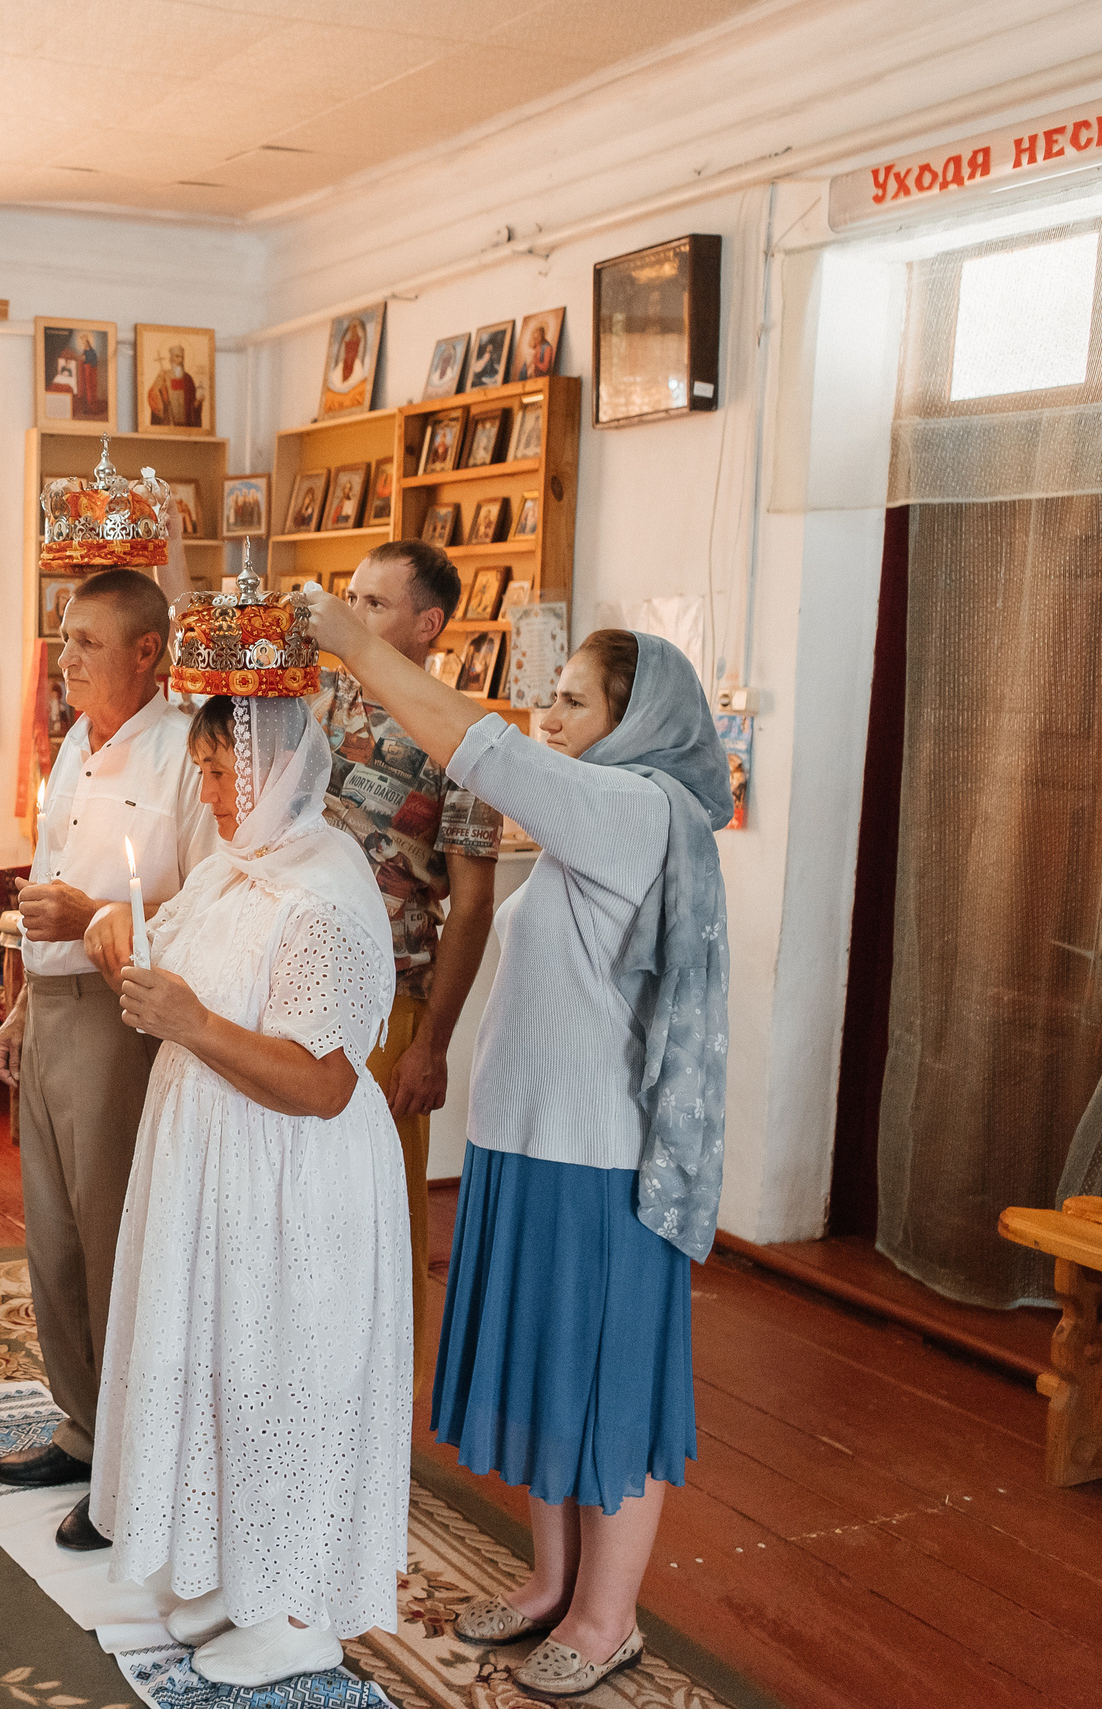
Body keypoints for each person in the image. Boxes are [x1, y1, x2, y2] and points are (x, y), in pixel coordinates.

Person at [302, 597, 730, 1702]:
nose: (551, 710)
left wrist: (358, 647)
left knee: (605, 1387)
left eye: (575, 697)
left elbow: (474, 746)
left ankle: (608, 1613)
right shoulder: (599, 808)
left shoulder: (633, 805)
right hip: (527, 1141)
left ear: (639, 721)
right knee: (547, 1374)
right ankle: (552, 1583)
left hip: (596, 1157)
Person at [87, 678, 411, 1689]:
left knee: (294, 1374)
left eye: (226, 775)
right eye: (206, 776)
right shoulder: (235, 866)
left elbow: (320, 1082)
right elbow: (181, 981)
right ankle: (239, 1568)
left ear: (275, 770)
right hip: (218, 1160)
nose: (216, 796)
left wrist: (187, 1021)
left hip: (294, 1180)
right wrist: (122, 954)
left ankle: (303, 1605)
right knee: (228, 1361)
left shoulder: (325, 892)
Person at [0, 570, 216, 1551]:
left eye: (86, 640)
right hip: (53, 1005)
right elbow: (49, 876)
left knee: (116, 1239)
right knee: (55, 1239)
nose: (66, 657)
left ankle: (133, 1464)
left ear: (147, 653)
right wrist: (20, 1000)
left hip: (123, 1012)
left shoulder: (184, 757)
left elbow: (212, 907)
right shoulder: (79, 743)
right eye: (65, 637)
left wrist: (93, 923)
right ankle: (82, 1425)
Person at [309, 541, 499, 1377]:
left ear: (428, 625)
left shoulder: (463, 738)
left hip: (391, 997)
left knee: (377, 1211)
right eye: (349, 597)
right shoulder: (307, 699)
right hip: (294, 983)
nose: (352, 615)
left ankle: (379, 1409)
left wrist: (434, 1044)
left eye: (375, 604)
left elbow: (474, 901)